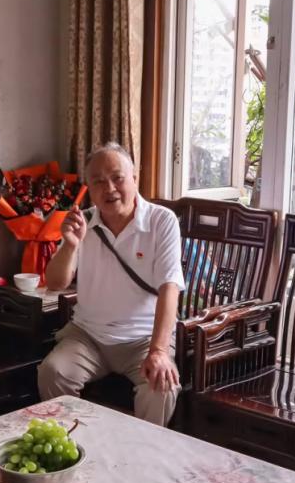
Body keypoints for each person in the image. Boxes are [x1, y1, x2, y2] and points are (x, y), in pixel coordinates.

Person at [38, 143, 185, 426]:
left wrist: (158, 351)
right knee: (52, 372)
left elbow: (170, 288)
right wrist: (70, 245)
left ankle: (141, 452)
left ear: (134, 178)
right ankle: (76, 444)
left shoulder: (161, 221)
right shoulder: (83, 222)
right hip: (89, 336)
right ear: (89, 189)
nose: (109, 189)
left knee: (161, 387)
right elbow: (55, 283)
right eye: (98, 181)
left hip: (143, 338)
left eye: (117, 178)